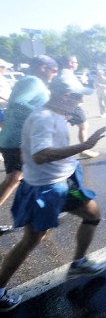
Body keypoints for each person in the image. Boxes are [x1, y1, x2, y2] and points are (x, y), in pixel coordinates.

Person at [0, 75, 106, 312]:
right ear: (63, 96)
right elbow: (41, 155)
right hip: (45, 189)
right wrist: (85, 145)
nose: (80, 101)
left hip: (68, 183)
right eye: (77, 97)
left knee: (92, 214)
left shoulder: (56, 114)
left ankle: (78, 263)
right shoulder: (42, 119)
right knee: (32, 240)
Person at [0, 55, 59, 233]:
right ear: (43, 68)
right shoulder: (33, 81)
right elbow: (17, 104)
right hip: (18, 139)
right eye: (53, 71)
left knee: (18, 178)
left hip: (19, 138)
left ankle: (36, 218)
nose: (54, 75)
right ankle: (38, 220)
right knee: (15, 179)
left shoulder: (30, 81)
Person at [59, 55, 99, 159]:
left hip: (64, 105)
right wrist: (91, 90)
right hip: (72, 106)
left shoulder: (63, 73)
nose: (77, 64)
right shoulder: (67, 74)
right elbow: (75, 89)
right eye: (76, 62)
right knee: (84, 126)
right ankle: (84, 150)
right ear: (70, 63)